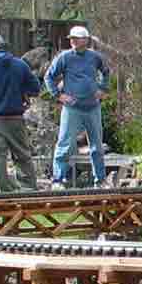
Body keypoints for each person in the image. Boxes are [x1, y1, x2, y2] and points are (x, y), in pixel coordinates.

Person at [0, 32, 41, 192]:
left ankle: (3, 190)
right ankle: (28, 189)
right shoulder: (20, 65)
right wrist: (22, 94)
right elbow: (35, 89)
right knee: (23, 155)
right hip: (16, 117)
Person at [44, 26, 110, 190]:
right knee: (65, 143)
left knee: (97, 145)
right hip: (72, 108)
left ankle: (100, 180)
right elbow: (49, 77)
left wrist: (103, 89)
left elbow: (106, 72)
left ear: (85, 40)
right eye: (71, 38)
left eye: (76, 38)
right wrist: (58, 95)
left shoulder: (95, 57)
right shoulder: (64, 57)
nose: (72, 40)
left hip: (93, 107)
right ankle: (58, 180)